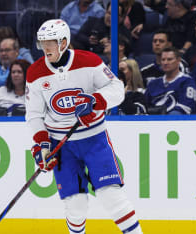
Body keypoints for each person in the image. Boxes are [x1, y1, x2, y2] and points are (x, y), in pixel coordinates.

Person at [25, 19, 142, 234]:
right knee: (75, 204)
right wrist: (42, 145)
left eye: (50, 42)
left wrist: (95, 100)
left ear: (63, 42)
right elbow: (33, 114)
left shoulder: (88, 61)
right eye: (42, 43)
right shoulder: (35, 72)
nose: (45, 48)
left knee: (111, 196)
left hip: (94, 139)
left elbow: (116, 88)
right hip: (61, 144)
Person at [145, 46, 196, 115]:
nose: (165, 63)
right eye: (163, 60)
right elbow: (144, 106)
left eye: (169, 59)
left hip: (175, 122)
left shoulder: (187, 81)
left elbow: (186, 107)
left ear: (178, 61)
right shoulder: (153, 83)